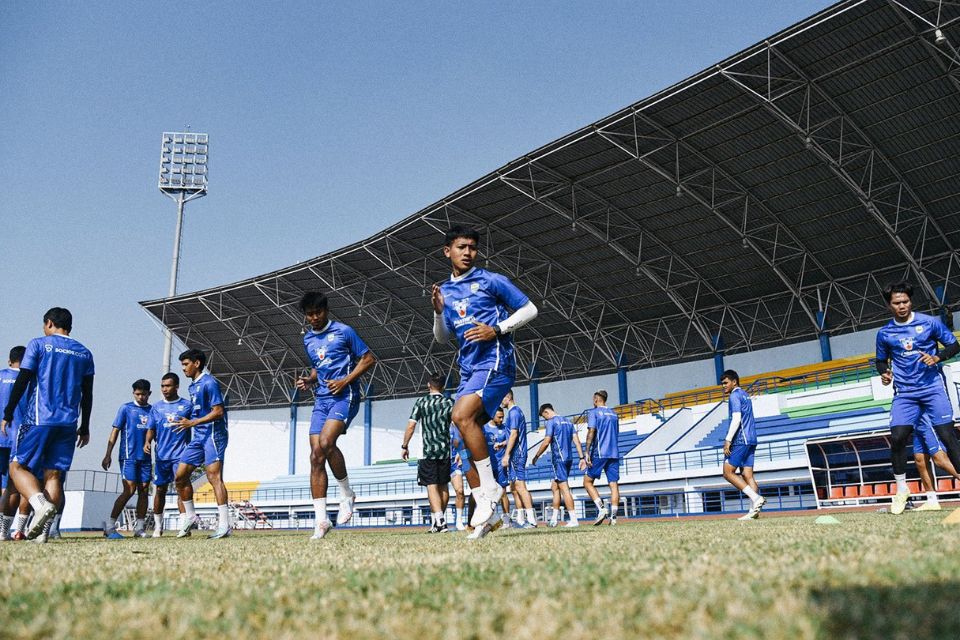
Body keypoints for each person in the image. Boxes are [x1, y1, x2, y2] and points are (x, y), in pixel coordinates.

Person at [432, 225, 538, 539]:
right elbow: (442, 338)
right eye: (462, 247)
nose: (468, 253)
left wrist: (498, 329)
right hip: (468, 369)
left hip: (495, 364)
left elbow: (530, 308)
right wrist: (438, 313)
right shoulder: (445, 292)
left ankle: (488, 490)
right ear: (447, 251)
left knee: (460, 416)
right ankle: (487, 516)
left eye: (473, 248)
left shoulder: (490, 280)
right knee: (466, 433)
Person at [2, 307, 94, 542]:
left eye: (44, 325)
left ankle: (40, 505)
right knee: (53, 475)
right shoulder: (84, 353)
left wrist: (9, 412)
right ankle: (42, 535)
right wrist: (85, 426)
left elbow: (23, 379)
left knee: (17, 468)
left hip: (39, 419)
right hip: (68, 423)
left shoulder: (39, 344)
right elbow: (88, 393)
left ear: (50, 323)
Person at [295, 291, 376, 540]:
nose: (314, 318)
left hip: (345, 395)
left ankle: (346, 494)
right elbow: (319, 367)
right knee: (315, 455)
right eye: (309, 314)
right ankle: (321, 520)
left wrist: (345, 381)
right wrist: (310, 380)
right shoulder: (308, 339)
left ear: (326, 311)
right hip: (321, 398)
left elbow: (369, 358)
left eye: (317, 312)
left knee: (326, 443)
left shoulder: (344, 331)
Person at [875, 282, 960, 515]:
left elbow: (954, 345)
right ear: (889, 305)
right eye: (896, 303)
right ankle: (902, 490)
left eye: (905, 302)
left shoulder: (930, 322)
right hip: (905, 393)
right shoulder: (884, 333)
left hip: (932, 388)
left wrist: (937, 357)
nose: (902, 306)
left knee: (947, 436)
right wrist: (884, 373)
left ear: (910, 302)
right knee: (898, 436)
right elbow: (880, 361)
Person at [173, 348, 231, 539]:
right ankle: (190, 516)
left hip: (214, 435)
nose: (183, 369)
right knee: (180, 477)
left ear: (196, 363)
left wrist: (193, 422)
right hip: (198, 437)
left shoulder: (209, 382)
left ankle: (224, 525)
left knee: (214, 477)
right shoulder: (192, 386)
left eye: (185, 364)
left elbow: (218, 411)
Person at [401, 374, 455, 533]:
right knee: (444, 485)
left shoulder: (421, 402)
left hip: (427, 451)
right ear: (443, 387)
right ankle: (437, 522)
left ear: (428, 385)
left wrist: (404, 445)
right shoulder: (449, 403)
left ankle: (440, 522)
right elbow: (457, 426)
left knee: (431, 485)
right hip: (445, 451)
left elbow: (411, 426)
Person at [101, 379, 153, 538]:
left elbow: (154, 432)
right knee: (129, 490)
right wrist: (108, 454)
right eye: (137, 394)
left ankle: (139, 528)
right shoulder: (126, 408)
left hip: (145, 458)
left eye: (144, 394)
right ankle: (110, 526)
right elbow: (115, 431)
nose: (141, 397)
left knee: (144, 491)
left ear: (149, 394)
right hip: (128, 456)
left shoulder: (153, 410)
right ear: (133, 393)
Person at [145, 373, 192, 536]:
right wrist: (147, 442)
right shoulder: (156, 407)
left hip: (181, 455)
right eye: (163, 386)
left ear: (177, 386)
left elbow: (195, 425)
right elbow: (151, 428)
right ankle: (158, 527)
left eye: (168, 386)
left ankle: (184, 525)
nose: (165, 389)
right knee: (160, 490)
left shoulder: (187, 405)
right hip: (161, 457)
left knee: (181, 487)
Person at [719, 371, 766, 520]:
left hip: (741, 439)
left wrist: (728, 440)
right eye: (722, 384)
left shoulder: (734, 395)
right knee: (748, 475)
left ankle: (756, 498)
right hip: (752, 439)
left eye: (726, 383)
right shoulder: (745, 395)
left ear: (734, 382)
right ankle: (754, 512)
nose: (723, 386)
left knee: (727, 472)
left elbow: (737, 418)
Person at [533, 404, 585, 527]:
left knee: (564, 489)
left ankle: (573, 520)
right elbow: (577, 441)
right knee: (555, 487)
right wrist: (581, 457)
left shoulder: (551, 422)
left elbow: (546, 442)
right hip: (569, 459)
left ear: (546, 412)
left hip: (559, 459)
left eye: (544, 417)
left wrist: (536, 456)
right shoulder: (568, 421)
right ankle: (554, 519)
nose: (545, 420)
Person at [583, 390, 621, 526]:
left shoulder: (593, 412)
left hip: (600, 452)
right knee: (614, 485)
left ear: (595, 399)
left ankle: (601, 509)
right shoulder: (614, 414)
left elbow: (591, 431)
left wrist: (586, 452)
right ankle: (614, 519)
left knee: (587, 482)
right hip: (614, 453)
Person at [0, 346, 27, 540]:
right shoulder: (30, 379)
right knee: (16, 486)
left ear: (10, 361)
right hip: (19, 438)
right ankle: (16, 529)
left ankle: (3, 531)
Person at [500, 390, 536, 528]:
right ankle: (522, 519)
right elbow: (513, 435)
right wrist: (503, 444)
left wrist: (507, 454)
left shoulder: (514, 412)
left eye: (502, 398)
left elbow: (514, 434)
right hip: (516, 452)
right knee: (515, 486)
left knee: (520, 486)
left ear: (508, 397)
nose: (501, 401)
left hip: (517, 454)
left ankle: (532, 520)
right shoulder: (516, 412)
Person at [910, 415, 960, 511]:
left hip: (928, 422)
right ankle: (931, 501)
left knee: (940, 460)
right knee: (920, 460)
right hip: (917, 425)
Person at [475, 408, 510, 539]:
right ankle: (489, 519)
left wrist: (503, 444)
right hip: (488, 465)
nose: (501, 420)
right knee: (488, 493)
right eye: (499, 417)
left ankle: (506, 520)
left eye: (502, 417)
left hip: (501, 465)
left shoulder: (504, 428)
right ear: (492, 416)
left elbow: (511, 439)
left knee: (503, 492)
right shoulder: (484, 429)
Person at [449, 424, 470, 530]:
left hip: (455, 463)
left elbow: (467, 442)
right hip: (440, 463)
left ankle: (459, 521)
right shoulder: (441, 424)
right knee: (440, 494)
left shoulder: (460, 425)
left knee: (460, 491)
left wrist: (461, 454)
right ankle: (437, 522)